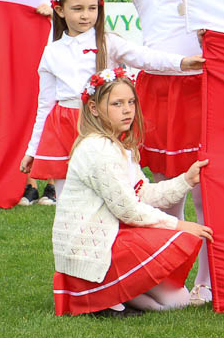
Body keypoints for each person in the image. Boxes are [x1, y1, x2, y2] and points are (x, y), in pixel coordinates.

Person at [20, 0, 204, 200]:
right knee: (69, 197)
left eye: (92, 8)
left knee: (115, 192)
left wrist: (182, 62)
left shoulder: (109, 42)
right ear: (59, 10)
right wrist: (32, 150)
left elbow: (145, 57)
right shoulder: (51, 52)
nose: (85, 15)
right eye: (77, 9)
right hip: (64, 127)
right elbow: (44, 106)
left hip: (104, 124)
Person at [114, 0, 212, 305]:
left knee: (204, 194)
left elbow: (201, 23)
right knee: (165, 195)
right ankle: (168, 280)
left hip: (197, 96)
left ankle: (206, 281)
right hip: (158, 96)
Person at [52, 68, 213, 317]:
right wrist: (179, 225)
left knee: (178, 300)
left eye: (131, 102)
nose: (127, 110)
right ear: (94, 108)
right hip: (93, 249)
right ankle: (100, 294)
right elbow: (128, 210)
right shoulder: (98, 149)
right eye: (117, 104)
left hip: (114, 238)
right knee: (178, 256)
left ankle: (116, 294)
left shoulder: (118, 146)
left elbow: (143, 193)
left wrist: (186, 180)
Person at [19, 0, 86, 205]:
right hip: (31, 52)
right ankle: (29, 182)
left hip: (62, 54)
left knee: (55, 115)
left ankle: (51, 182)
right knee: (31, 112)